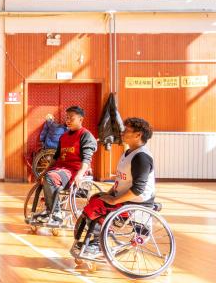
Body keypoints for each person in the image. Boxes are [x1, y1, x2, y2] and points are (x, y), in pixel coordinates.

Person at [72, 117, 155, 258]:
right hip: (124, 199)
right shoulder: (128, 153)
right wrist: (109, 193)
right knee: (96, 198)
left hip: (137, 204)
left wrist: (114, 200)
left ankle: (99, 244)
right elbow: (120, 181)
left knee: (97, 206)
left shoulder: (142, 157)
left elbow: (138, 190)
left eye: (127, 130)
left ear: (138, 135)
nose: (122, 132)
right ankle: (99, 238)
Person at [33, 105, 97, 227]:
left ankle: (56, 213)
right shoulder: (64, 136)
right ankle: (49, 210)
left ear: (80, 119)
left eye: (71, 118)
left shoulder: (86, 135)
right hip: (61, 170)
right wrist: (44, 172)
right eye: (66, 117)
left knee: (51, 177)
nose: (68, 120)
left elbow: (86, 159)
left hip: (74, 170)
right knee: (47, 176)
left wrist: (79, 175)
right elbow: (55, 158)